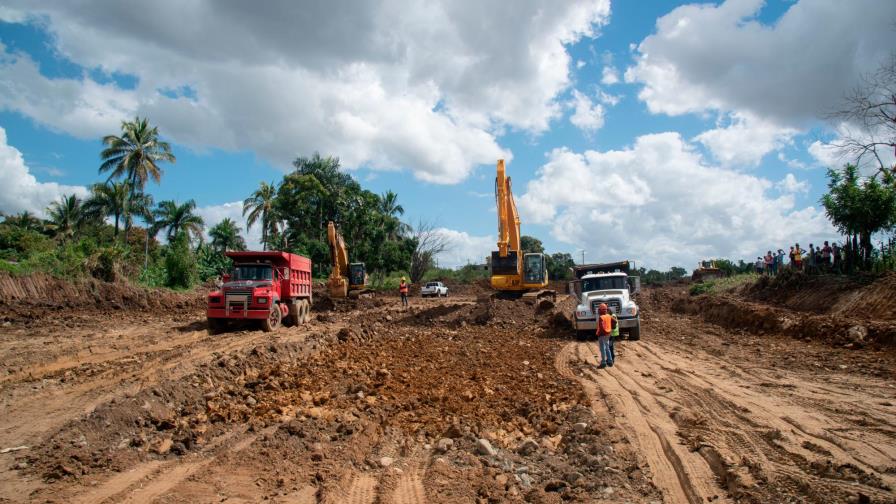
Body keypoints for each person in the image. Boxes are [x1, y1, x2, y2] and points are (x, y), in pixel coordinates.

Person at [595, 303, 617, 369]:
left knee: (602, 348)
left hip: (602, 334)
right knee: (607, 347)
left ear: (601, 310)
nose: (598, 311)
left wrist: (598, 333)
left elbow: (601, 328)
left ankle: (603, 362)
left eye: (599, 309)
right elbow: (615, 321)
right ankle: (610, 361)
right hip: (608, 334)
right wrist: (610, 328)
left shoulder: (601, 317)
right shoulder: (608, 316)